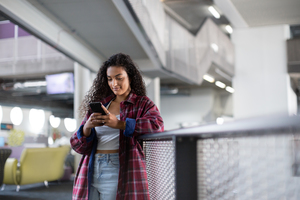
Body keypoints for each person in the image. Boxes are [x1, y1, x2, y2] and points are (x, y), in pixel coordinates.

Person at [70, 53, 164, 200]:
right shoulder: (102, 104)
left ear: (130, 77)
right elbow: (77, 146)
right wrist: (87, 128)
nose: (114, 83)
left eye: (119, 78)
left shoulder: (143, 104)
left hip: (119, 167)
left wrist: (119, 124)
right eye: (110, 79)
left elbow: (156, 126)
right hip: (91, 166)